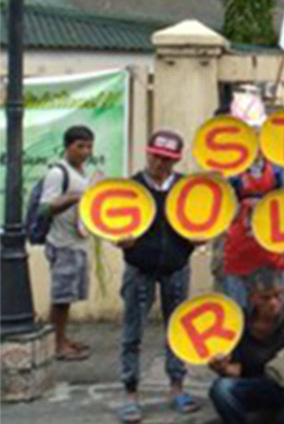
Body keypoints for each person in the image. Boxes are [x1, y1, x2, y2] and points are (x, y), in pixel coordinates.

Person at [118, 130, 200, 423]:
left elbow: (200, 220)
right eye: (157, 157)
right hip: (139, 267)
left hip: (176, 266)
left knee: (177, 330)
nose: (162, 164)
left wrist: (197, 238)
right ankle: (130, 391)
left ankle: (176, 387)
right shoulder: (131, 188)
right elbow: (112, 223)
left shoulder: (185, 187)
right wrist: (119, 239)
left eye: (168, 159)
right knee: (132, 331)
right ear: (147, 153)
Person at [208, 268, 284, 424]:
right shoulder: (239, 322)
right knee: (221, 389)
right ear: (252, 298)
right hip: (253, 386)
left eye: (278, 296)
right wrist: (220, 367)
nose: (273, 302)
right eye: (265, 298)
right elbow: (236, 371)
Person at [42, 125, 96, 362]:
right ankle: (55, 345)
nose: (85, 151)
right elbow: (47, 207)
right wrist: (76, 197)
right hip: (62, 243)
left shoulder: (81, 172)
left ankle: (62, 337)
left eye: (89, 146)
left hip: (77, 242)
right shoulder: (57, 173)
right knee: (61, 298)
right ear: (67, 147)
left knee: (68, 298)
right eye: (80, 146)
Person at [224, 157, 284, 309]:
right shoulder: (233, 172)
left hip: (271, 248)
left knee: (280, 308)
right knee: (239, 309)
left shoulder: (278, 172)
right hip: (239, 249)